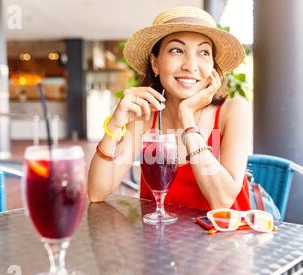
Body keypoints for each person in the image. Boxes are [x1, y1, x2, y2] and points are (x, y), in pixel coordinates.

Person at [88, 6, 251, 211]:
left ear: (213, 67)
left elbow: (222, 200)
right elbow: (97, 192)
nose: (190, 65)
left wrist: (187, 117)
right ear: (155, 63)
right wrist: (114, 126)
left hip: (224, 240)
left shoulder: (233, 111)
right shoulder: (146, 117)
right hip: (161, 241)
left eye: (203, 52)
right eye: (177, 50)